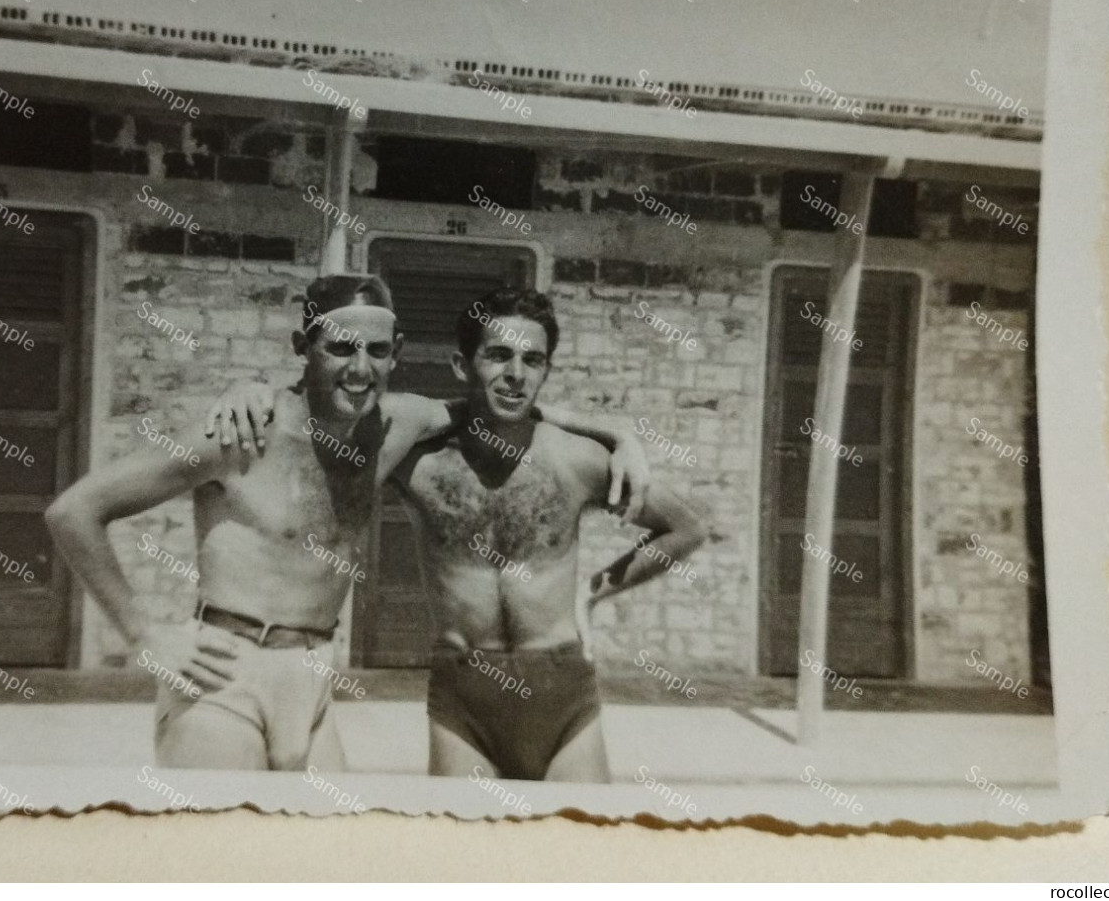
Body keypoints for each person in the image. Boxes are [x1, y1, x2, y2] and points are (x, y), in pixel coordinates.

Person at [45, 274, 648, 774]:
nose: (360, 368)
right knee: (214, 861)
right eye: (339, 348)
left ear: (395, 353)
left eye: (378, 352)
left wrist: (618, 434)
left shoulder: (398, 424)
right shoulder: (239, 435)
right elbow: (74, 512)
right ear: (301, 347)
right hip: (225, 675)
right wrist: (145, 637)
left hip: (311, 683)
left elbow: (503, 400)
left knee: (331, 863)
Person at [392, 287, 707, 782]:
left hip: (562, 696)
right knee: (465, 853)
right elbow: (328, 426)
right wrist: (251, 396)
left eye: (532, 360)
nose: (516, 374)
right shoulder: (418, 464)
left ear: (545, 371)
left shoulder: (576, 460)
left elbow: (686, 528)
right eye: (498, 356)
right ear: (461, 365)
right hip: (465, 702)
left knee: (579, 851)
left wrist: (591, 594)